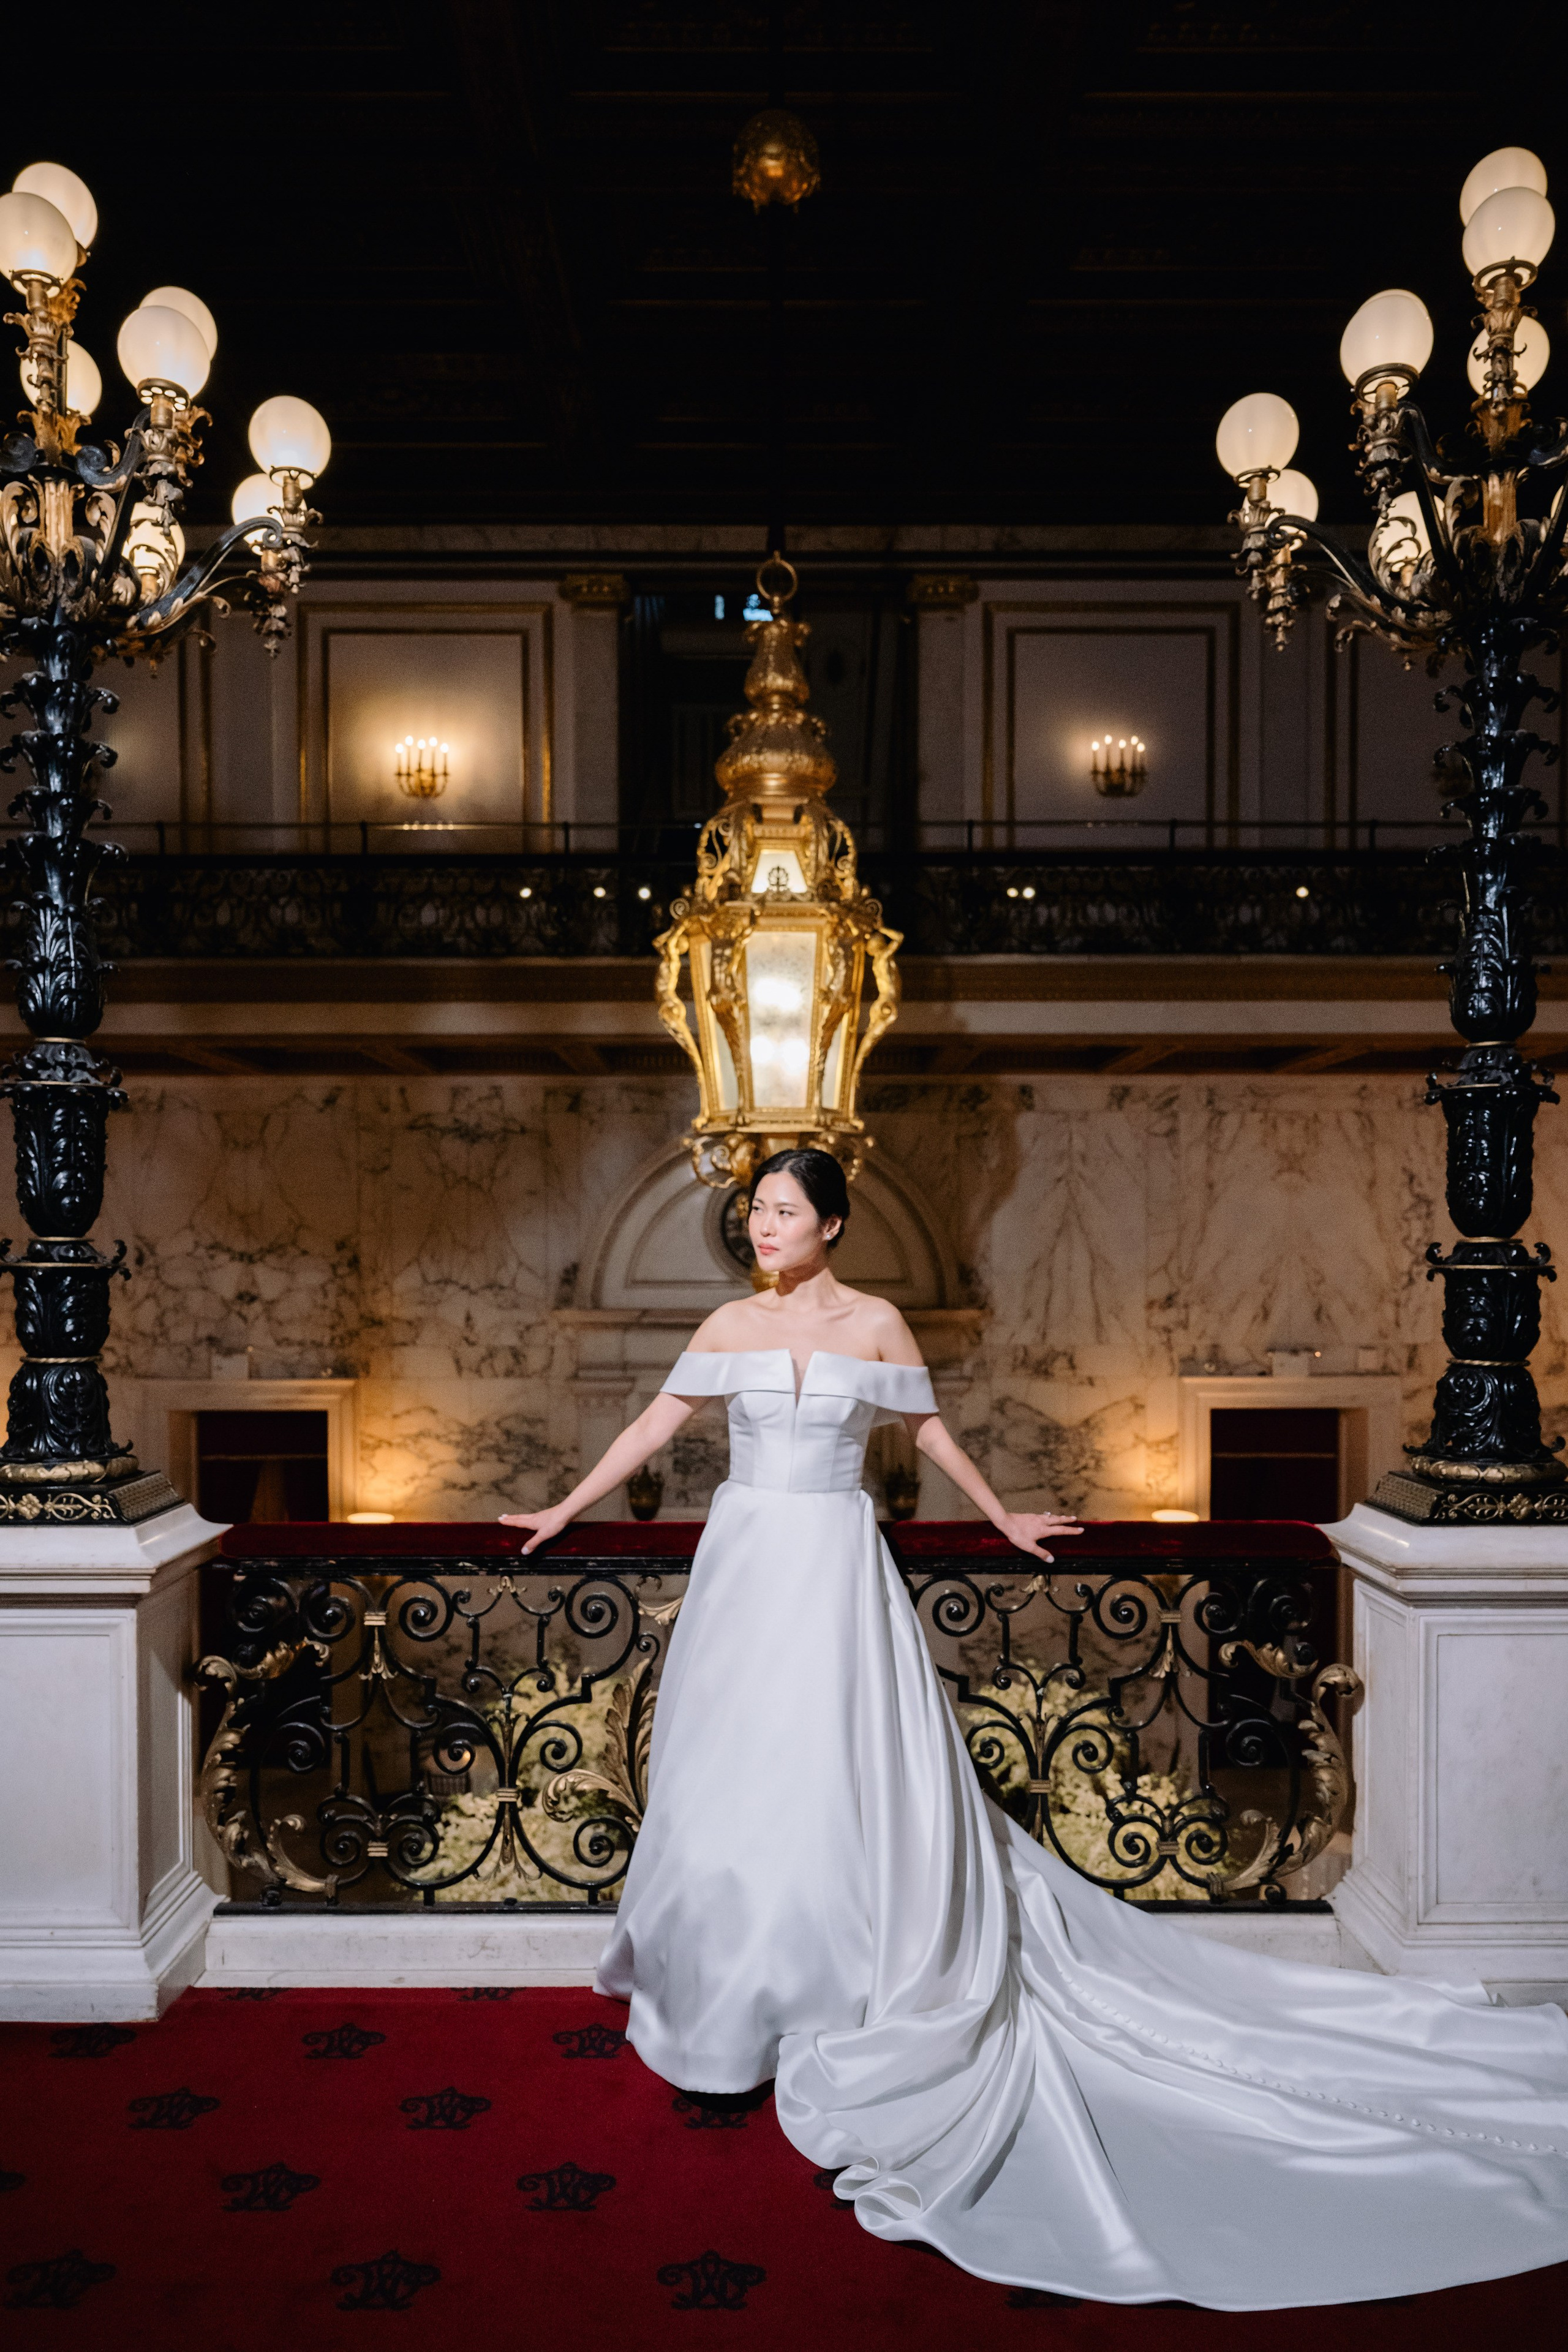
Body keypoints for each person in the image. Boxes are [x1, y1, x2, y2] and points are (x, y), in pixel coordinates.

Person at [502, 1147, 1568, 2310]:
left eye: (785, 1210)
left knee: (834, 1778)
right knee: (727, 1780)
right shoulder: (721, 1325)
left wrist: (1004, 1515)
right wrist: (563, 1507)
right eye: (754, 1211)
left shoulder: (878, 1326)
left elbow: (928, 1438)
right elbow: (656, 1427)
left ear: (834, 1222)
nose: (762, 1226)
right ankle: (719, 2014)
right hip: (745, 1565)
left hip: (836, 1571)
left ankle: (834, 1989)